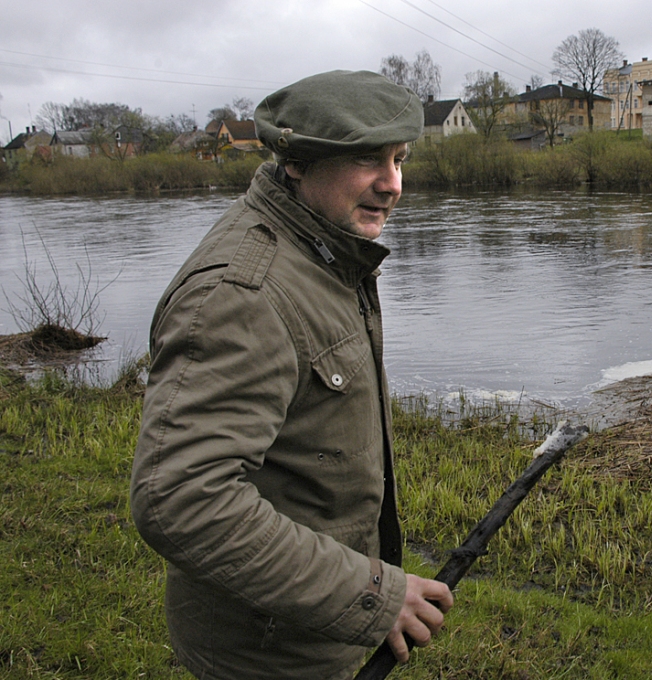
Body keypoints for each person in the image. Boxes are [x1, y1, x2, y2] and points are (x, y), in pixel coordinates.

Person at [130, 70, 453, 680]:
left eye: (399, 158)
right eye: (367, 160)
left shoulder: (323, 247)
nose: (394, 184)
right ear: (297, 162)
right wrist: (373, 596)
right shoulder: (243, 295)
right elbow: (180, 499)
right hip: (267, 650)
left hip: (307, 626)